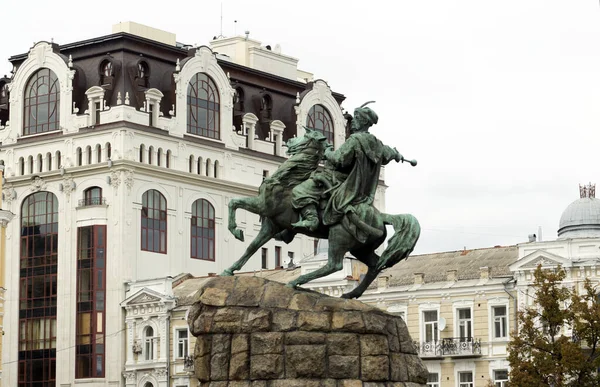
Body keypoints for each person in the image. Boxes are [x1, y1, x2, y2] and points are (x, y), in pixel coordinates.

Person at [291, 102, 402, 232]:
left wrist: (327, 152)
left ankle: (312, 219)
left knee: (299, 191)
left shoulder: (354, 140)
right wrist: (397, 154)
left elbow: (339, 159)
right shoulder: (377, 144)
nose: (353, 122)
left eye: (356, 119)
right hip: (361, 192)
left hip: (340, 182)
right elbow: (388, 153)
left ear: (364, 122)